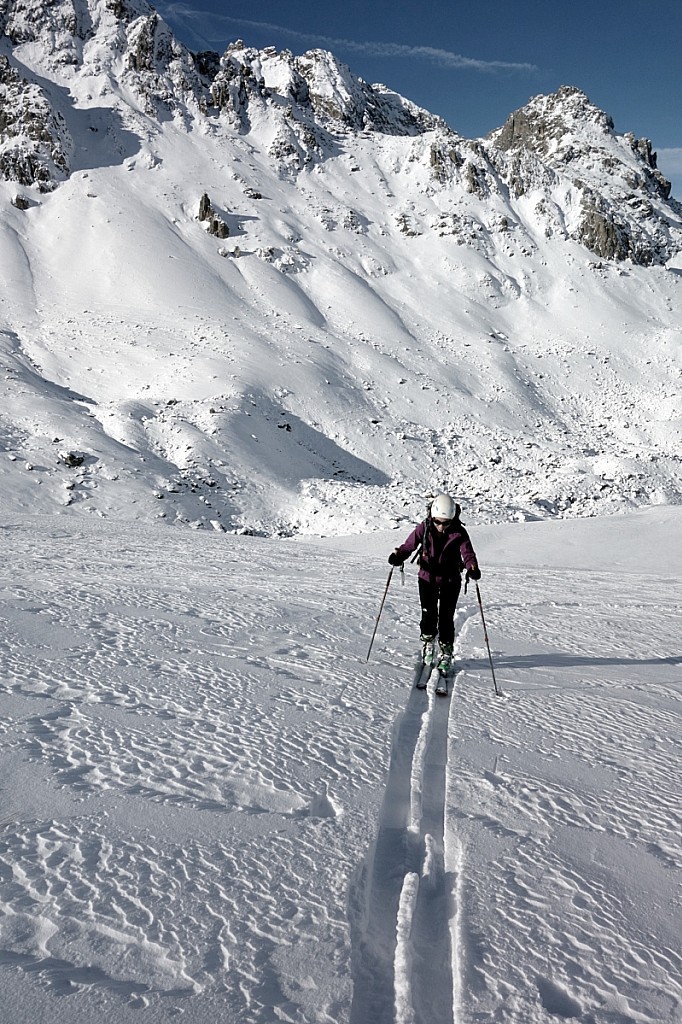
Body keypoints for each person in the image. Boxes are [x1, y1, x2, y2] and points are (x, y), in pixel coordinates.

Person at [388, 493, 481, 672]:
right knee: (428, 614)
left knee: (446, 617)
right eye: (438, 522)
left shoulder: (459, 532)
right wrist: (398, 555)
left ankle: (446, 651)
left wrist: (472, 568)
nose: (441, 526)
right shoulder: (424, 527)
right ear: (432, 516)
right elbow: (409, 545)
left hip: (451, 580)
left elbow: (467, 553)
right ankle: (428, 642)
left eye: (445, 523)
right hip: (426, 578)